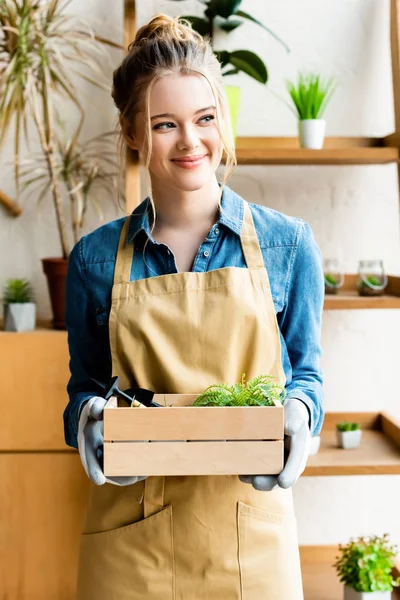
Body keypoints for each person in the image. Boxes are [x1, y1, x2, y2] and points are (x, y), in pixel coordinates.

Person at [64, 13, 324, 600]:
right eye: (164, 124)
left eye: (205, 119)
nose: (190, 141)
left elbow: (306, 373)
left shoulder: (288, 246)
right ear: (131, 132)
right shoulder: (94, 260)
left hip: (249, 534)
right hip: (129, 539)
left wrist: (300, 418)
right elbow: (84, 387)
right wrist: (89, 422)